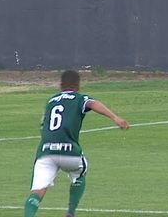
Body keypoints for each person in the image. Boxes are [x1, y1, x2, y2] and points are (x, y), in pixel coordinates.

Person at [24, 70, 129, 217]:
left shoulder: (50, 101)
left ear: (60, 85)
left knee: (37, 192)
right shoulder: (79, 98)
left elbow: (43, 125)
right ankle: (70, 213)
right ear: (78, 85)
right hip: (69, 152)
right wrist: (115, 118)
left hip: (46, 153)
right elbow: (92, 103)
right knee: (80, 172)